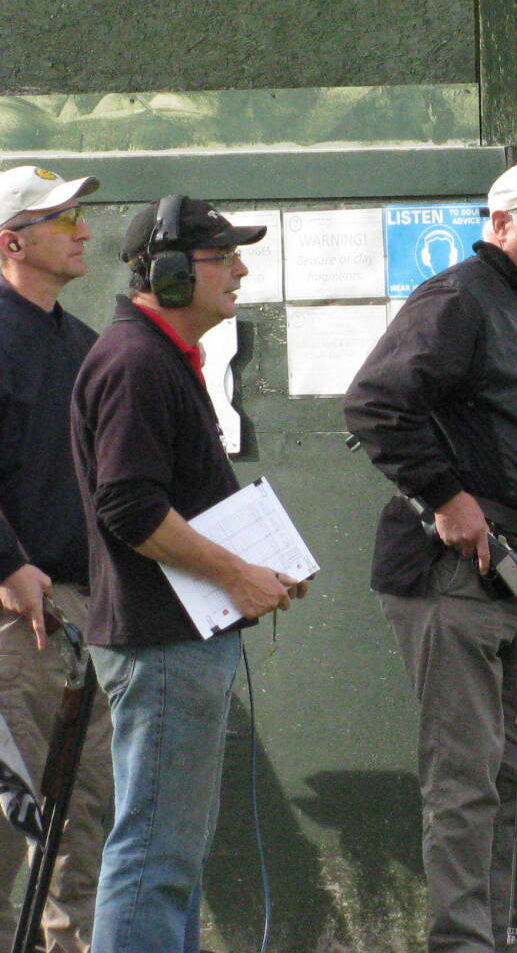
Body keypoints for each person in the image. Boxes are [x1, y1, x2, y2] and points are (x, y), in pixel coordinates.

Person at [344, 159, 517, 953]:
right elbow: (375, 403)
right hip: (456, 571)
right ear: (499, 225)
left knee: (511, 775)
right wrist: (447, 498)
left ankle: (504, 936)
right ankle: (464, 943)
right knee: (467, 778)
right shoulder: (463, 295)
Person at [70, 197, 301, 953]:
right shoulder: (137, 361)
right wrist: (237, 575)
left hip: (175, 638)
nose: (239, 270)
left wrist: (254, 570)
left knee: (169, 852)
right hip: (162, 642)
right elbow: (130, 508)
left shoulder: (157, 357)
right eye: (221, 257)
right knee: (154, 853)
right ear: (168, 274)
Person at [0, 164, 114, 953]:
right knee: (9, 821)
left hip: (87, 612)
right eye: (59, 219)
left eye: (80, 216)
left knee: (87, 814)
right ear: (11, 242)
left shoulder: (82, 342)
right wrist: (6, 563)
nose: (81, 231)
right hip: (15, 619)